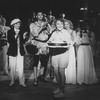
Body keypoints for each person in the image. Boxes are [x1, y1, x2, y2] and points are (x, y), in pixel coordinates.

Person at [47, 18, 71, 98]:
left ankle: (62, 91)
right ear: (55, 25)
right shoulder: (54, 33)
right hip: (55, 54)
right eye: (58, 24)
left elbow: (69, 43)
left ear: (63, 25)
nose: (59, 25)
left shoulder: (66, 33)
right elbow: (49, 42)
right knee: (56, 72)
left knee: (61, 72)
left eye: (61, 24)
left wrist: (63, 42)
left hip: (63, 54)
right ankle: (58, 88)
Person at [29, 12, 50, 86]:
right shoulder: (33, 25)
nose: (40, 16)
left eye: (42, 15)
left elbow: (49, 32)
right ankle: (35, 79)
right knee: (36, 62)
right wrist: (41, 27)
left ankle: (42, 76)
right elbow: (35, 34)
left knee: (44, 62)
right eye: (39, 15)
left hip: (44, 45)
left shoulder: (46, 23)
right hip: (37, 45)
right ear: (36, 16)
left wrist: (47, 25)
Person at [7, 18, 28, 87]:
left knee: (20, 67)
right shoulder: (10, 32)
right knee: (12, 67)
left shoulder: (21, 31)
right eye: (16, 24)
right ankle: (12, 81)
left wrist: (24, 37)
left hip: (20, 51)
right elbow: (10, 41)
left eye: (19, 23)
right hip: (12, 51)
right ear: (13, 25)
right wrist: (15, 35)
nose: (18, 25)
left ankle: (22, 82)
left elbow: (22, 42)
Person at [64, 19, 77, 84]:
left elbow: (75, 40)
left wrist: (70, 45)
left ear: (70, 25)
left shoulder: (73, 31)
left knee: (70, 62)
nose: (66, 25)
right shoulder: (63, 31)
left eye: (67, 24)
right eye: (65, 24)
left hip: (70, 48)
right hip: (63, 48)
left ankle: (70, 78)